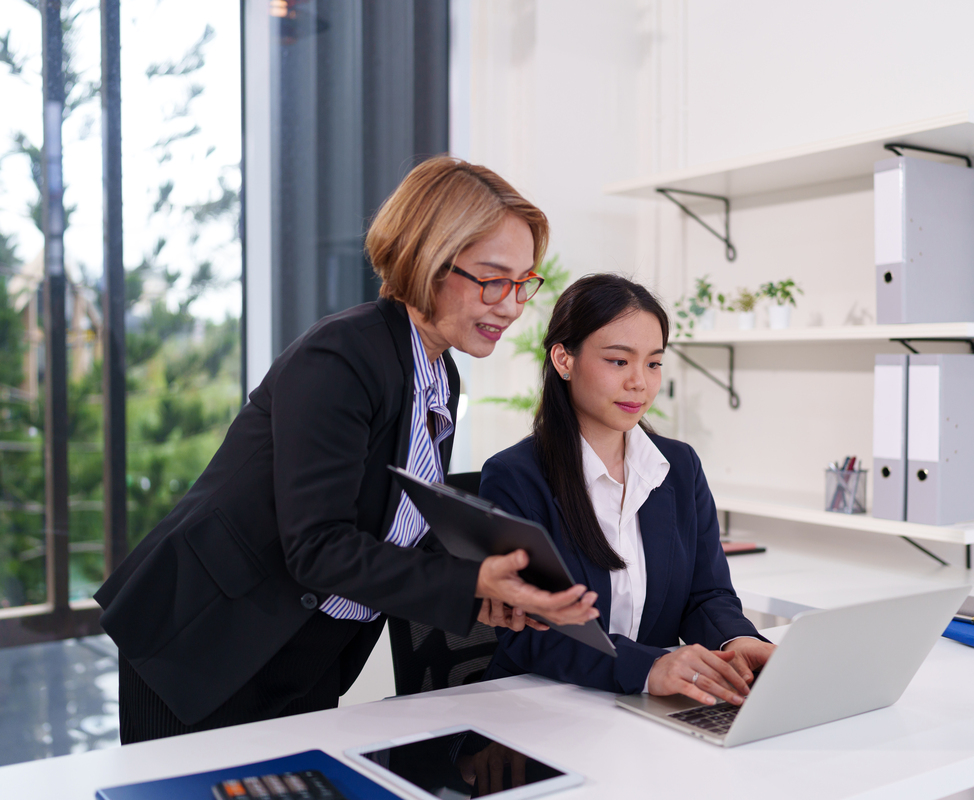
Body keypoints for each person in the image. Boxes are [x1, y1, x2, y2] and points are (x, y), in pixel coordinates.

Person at [95, 157, 599, 743]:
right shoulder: (342, 356)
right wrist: (473, 582)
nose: (511, 306)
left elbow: (394, 522)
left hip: (305, 644)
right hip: (208, 641)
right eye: (492, 278)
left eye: (522, 283)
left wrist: (481, 590)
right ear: (429, 259)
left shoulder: (438, 373)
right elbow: (318, 546)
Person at [479, 274, 776, 708]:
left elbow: (707, 594)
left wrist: (738, 639)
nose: (640, 381)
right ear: (564, 359)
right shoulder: (515, 476)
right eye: (619, 361)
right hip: (544, 707)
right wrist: (648, 668)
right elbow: (529, 631)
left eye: (653, 363)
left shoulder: (678, 467)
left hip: (643, 707)